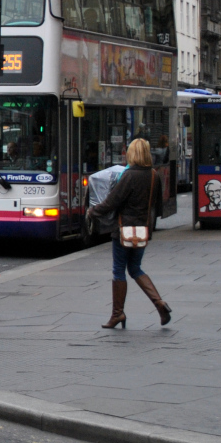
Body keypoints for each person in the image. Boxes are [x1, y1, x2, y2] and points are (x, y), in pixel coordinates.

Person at [88, 138, 171, 328]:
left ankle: (118, 314)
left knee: (119, 269)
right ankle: (159, 303)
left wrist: (93, 211)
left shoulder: (129, 176)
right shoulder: (153, 175)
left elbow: (112, 201)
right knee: (135, 268)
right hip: (142, 230)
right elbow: (157, 205)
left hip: (124, 230)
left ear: (132, 154)